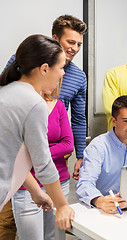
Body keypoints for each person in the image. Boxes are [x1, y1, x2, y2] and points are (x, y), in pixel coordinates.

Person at [0, 34, 74, 231]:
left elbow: (12, 156)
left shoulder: (7, 92)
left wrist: (36, 191)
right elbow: (42, 163)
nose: (63, 74)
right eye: (60, 67)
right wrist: (62, 206)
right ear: (44, 69)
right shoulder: (34, 103)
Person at [5, 14, 88, 180]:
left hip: (55, 149)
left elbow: (78, 119)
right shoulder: (22, 60)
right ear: (55, 39)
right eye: (70, 42)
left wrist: (81, 155)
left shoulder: (79, 77)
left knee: (52, 199)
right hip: (18, 146)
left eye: (79, 44)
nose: (75, 48)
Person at [12, 78, 74, 239]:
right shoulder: (17, 107)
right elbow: (14, 151)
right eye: (58, 70)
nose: (61, 75)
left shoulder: (58, 106)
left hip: (59, 182)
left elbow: (68, 144)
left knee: (54, 237)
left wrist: (35, 152)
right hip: (27, 186)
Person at [76, 96, 127, 214]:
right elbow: (84, 184)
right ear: (114, 121)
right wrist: (100, 201)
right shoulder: (97, 147)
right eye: (126, 121)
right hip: (104, 210)